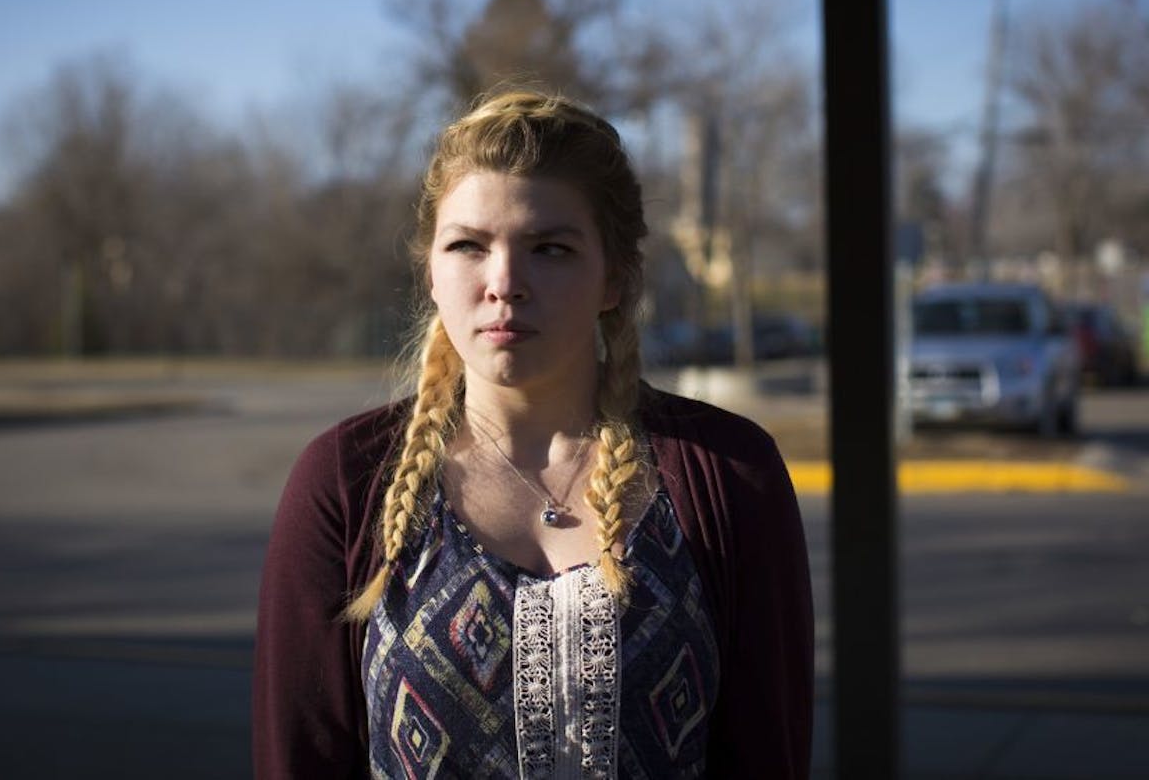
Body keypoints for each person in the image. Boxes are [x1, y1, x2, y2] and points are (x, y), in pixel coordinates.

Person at [253, 90, 813, 778]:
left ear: (614, 276)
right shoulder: (346, 480)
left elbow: (768, 756)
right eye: (468, 245)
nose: (505, 282)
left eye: (549, 248)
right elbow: (298, 758)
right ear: (431, 270)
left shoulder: (727, 475)